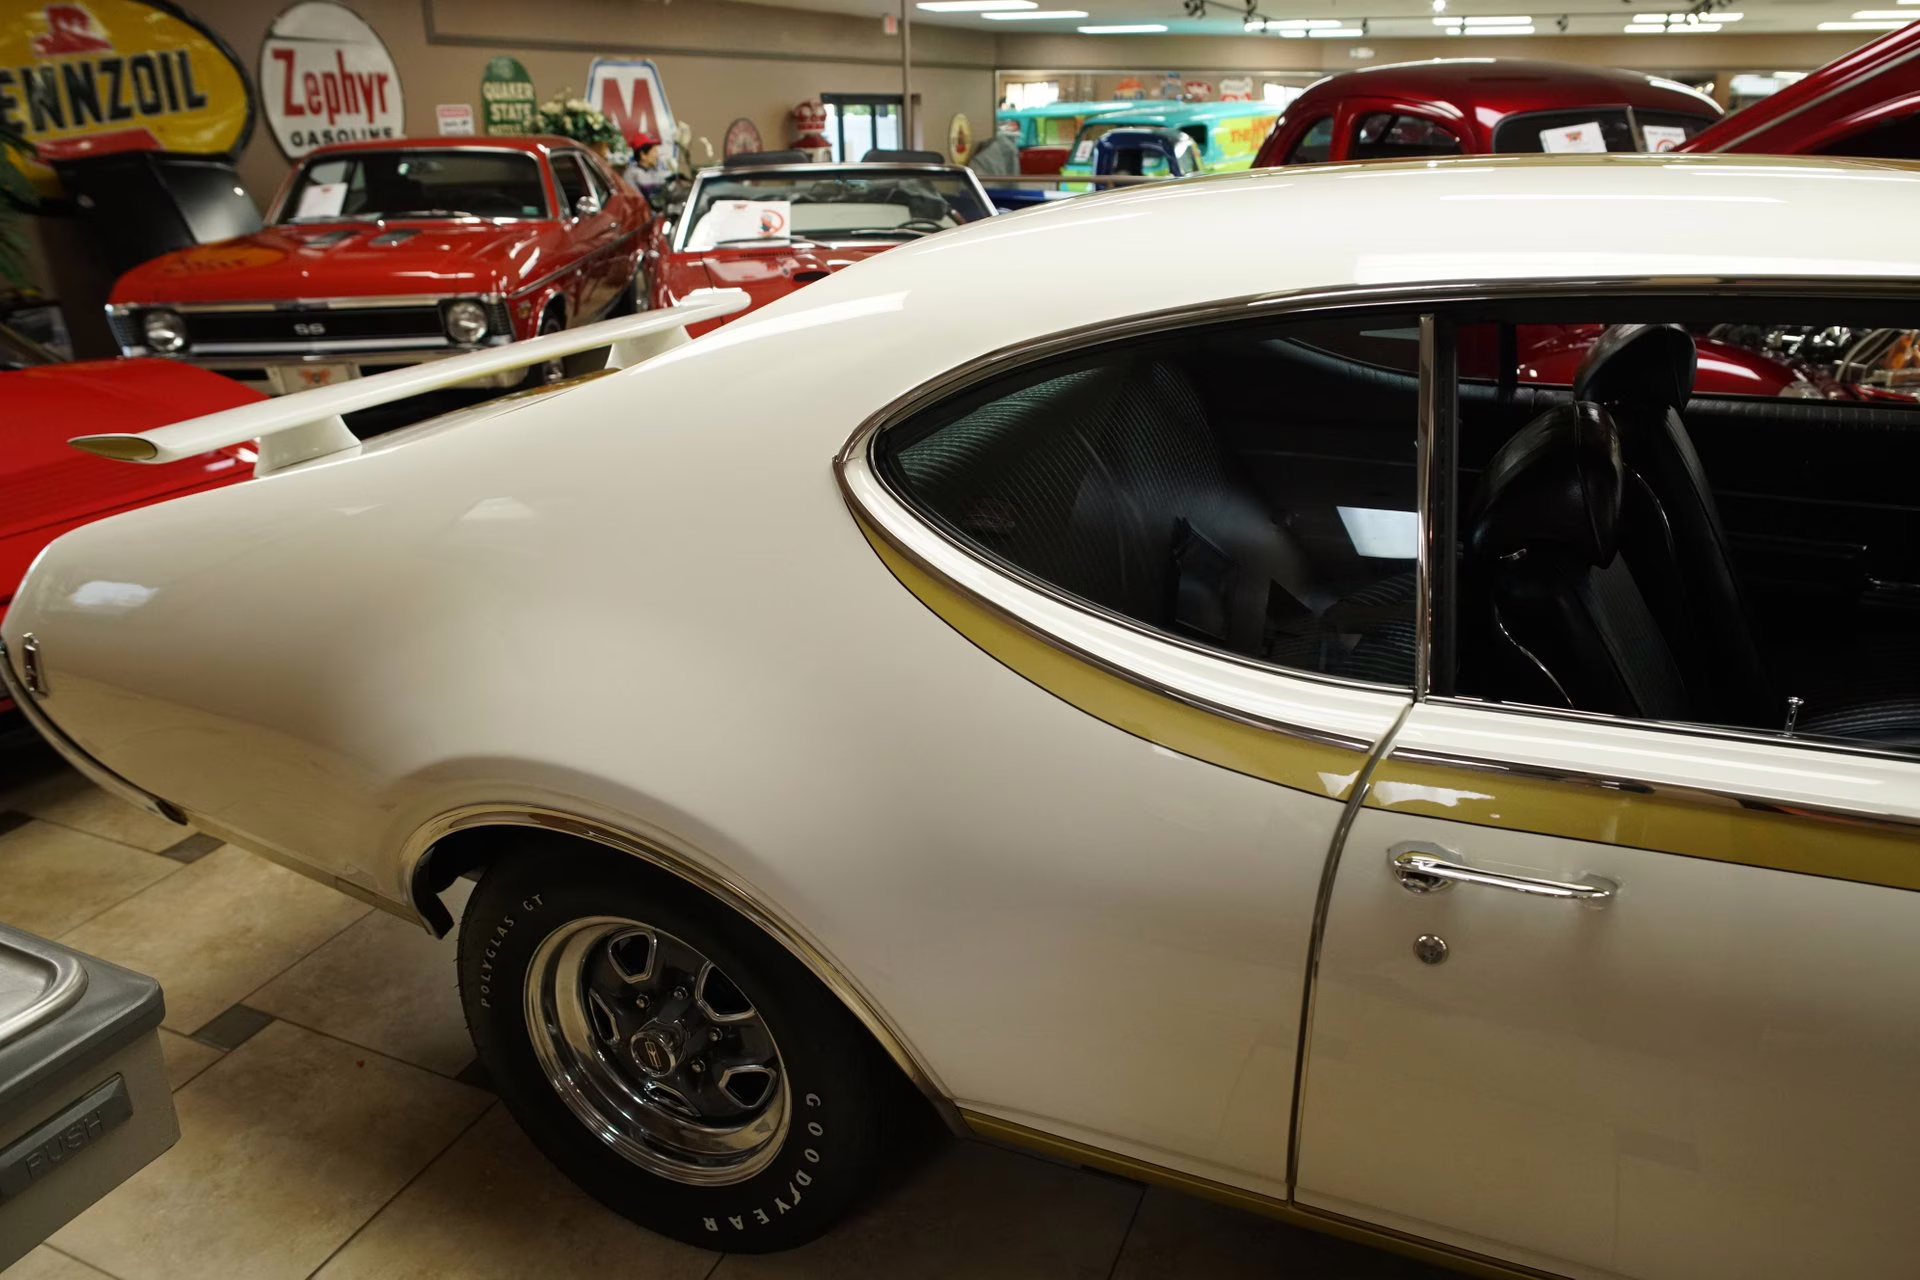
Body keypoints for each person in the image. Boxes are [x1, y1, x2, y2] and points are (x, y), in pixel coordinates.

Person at [624, 131, 665, 208]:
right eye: (654, 151)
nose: (657, 155)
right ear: (643, 155)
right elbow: (636, 203)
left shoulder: (655, 171)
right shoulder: (631, 175)